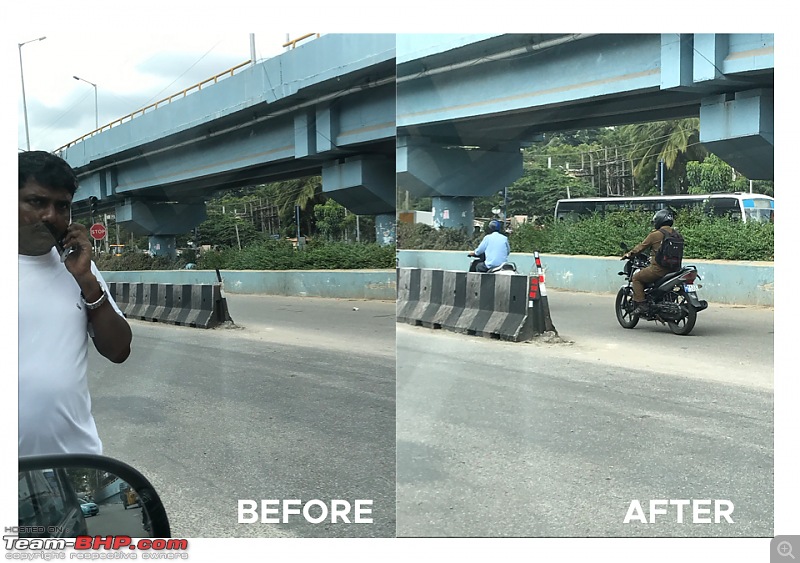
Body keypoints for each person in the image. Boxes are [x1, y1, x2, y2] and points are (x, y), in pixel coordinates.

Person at [19, 151, 132, 457]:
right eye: (36, 202)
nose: (51, 216)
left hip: (75, 464)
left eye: (62, 206)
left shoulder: (80, 269)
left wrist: (86, 279)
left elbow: (118, 351)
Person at [622, 208, 677, 315]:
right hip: (674, 269)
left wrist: (629, 254)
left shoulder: (655, 234)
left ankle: (642, 305)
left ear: (659, 221)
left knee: (636, 278)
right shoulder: (677, 234)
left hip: (659, 270)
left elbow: (641, 248)